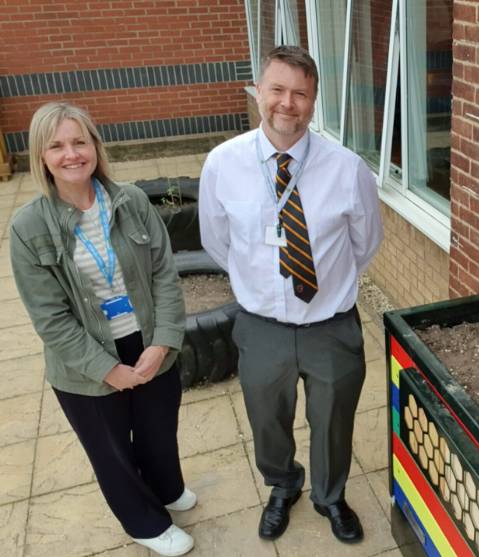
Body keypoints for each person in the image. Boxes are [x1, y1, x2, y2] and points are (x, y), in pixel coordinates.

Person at [199, 45, 383, 543]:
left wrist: (325, 286)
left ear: (314, 101)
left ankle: (330, 495)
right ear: (259, 91)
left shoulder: (347, 169)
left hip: (331, 326)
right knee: (267, 420)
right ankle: (283, 487)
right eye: (277, 89)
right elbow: (218, 241)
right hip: (261, 328)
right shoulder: (223, 164)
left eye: (300, 93)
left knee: (334, 421)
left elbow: (364, 244)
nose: (287, 103)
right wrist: (258, 284)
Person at [10, 102, 194, 557]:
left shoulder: (131, 201)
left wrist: (164, 341)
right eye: (57, 146)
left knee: (157, 430)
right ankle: (145, 523)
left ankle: (167, 489)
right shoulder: (27, 227)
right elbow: (50, 319)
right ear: (41, 155)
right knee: (112, 450)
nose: (71, 154)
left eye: (79, 141)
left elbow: (164, 275)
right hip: (86, 362)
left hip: (147, 340)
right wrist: (107, 369)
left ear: (95, 145)